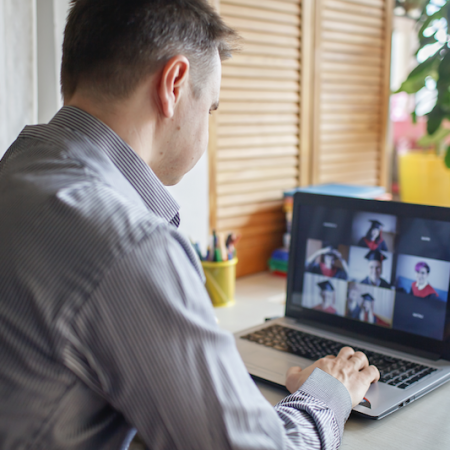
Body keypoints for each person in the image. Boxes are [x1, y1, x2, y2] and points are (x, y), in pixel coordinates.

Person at [0, 1, 379, 449]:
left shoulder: (17, 168)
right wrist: (328, 392)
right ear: (174, 85)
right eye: (212, 108)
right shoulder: (128, 243)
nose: (208, 123)